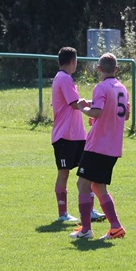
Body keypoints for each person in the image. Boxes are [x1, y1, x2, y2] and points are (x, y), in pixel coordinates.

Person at [71, 53, 129, 241]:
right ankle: (116, 227)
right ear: (116, 69)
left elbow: (97, 111)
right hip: (113, 146)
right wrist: (96, 114)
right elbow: (125, 115)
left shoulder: (101, 87)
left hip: (98, 145)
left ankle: (86, 230)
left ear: (98, 69)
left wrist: (83, 108)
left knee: (82, 184)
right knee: (97, 186)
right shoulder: (122, 88)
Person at [51, 46, 105, 224]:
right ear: (73, 62)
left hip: (77, 135)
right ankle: (63, 214)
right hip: (65, 135)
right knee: (64, 173)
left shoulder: (62, 78)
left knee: (87, 172)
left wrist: (91, 107)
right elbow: (75, 104)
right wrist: (97, 104)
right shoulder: (64, 78)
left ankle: (89, 210)